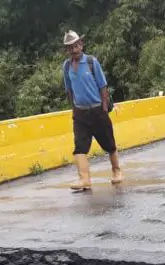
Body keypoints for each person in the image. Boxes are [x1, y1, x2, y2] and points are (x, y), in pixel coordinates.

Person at [62, 30, 122, 192]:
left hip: (97, 110)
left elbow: (103, 86)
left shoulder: (91, 62)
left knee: (109, 143)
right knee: (79, 146)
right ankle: (84, 179)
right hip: (80, 113)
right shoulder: (66, 66)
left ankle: (116, 171)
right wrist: (74, 108)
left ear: (81, 45)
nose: (74, 50)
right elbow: (69, 90)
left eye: (76, 46)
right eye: (70, 48)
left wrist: (104, 107)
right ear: (67, 50)